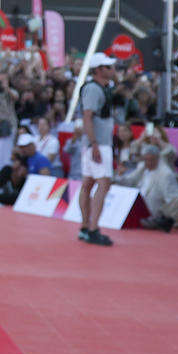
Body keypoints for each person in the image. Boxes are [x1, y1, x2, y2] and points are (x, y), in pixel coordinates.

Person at [75, 53, 117, 246]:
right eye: (108, 67)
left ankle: (86, 227)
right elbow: (87, 116)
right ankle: (93, 228)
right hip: (98, 144)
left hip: (95, 143)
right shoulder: (93, 89)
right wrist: (94, 144)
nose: (113, 69)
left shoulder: (101, 88)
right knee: (102, 184)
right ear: (99, 70)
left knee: (89, 184)